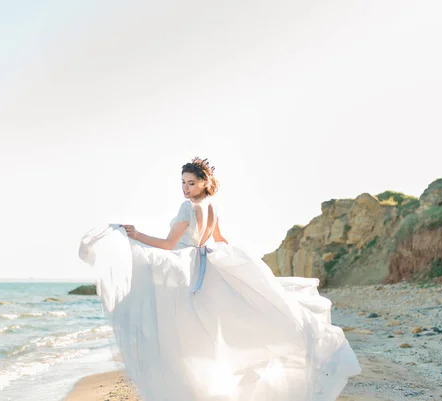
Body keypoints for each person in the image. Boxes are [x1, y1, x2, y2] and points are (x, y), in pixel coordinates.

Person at [78, 157, 361, 401]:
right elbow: (220, 239)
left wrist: (137, 235)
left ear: (203, 182)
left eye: (190, 182)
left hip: (182, 265)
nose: (185, 188)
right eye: (182, 182)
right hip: (201, 264)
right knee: (196, 325)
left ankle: (183, 383)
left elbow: (168, 244)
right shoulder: (212, 207)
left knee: (170, 323)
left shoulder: (187, 208)